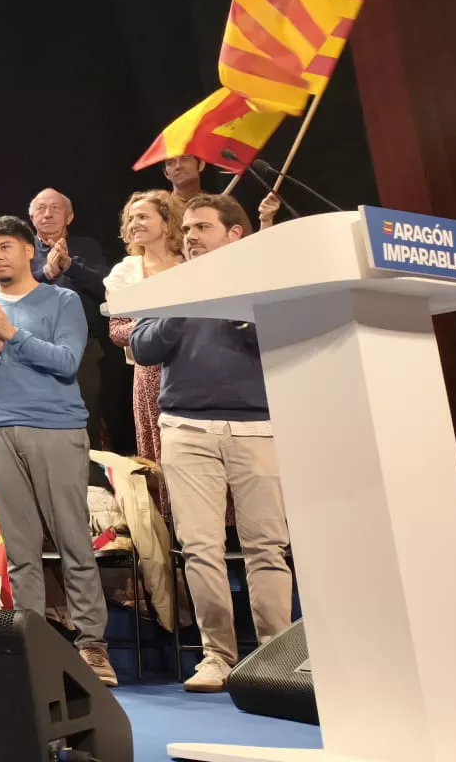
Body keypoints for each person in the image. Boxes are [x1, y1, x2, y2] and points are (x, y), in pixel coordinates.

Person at [130, 194, 293, 695]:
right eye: (189, 228)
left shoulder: (268, 280)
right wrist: (187, 303)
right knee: (200, 548)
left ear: (234, 234)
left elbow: (287, 339)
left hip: (258, 427)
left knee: (267, 547)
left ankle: (275, 657)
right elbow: (141, 346)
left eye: (202, 226)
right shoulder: (174, 283)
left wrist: (243, 310)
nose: (192, 235)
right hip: (186, 429)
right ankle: (217, 656)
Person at [0, 217, 116, 687]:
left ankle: (92, 646)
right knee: (20, 547)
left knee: (71, 540)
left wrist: (15, 335)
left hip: (56, 428)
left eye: (6, 246)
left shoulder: (61, 300)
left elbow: (68, 362)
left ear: (30, 252)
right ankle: (34, 645)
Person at [28, 189, 118, 451]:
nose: (47, 214)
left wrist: (70, 266)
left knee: (84, 418)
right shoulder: (23, 248)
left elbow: (105, 287)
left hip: (82, 348)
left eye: (55, 208)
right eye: (41, 208)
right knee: (38, 424)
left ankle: (90, 486)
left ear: (69, 216)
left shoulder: (87, 247)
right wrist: (46, 272)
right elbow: (12, 287)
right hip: (31, 346)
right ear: (31, 216)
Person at [104, 191, 186, 465]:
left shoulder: (191, 263)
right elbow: (116, 332)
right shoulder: (124, 272)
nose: (134, 223)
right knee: (161, 458)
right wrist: (148, 328)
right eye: (130, 219)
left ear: (166, 222)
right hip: (150, 375)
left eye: (142, 216)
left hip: (195, 365)